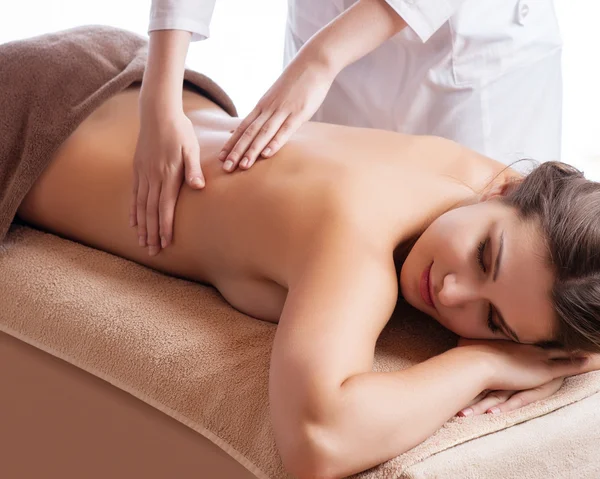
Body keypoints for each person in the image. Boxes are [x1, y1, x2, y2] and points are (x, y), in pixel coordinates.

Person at [18, 80, 600, 478]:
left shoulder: (481, 179)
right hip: (23, 124)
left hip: (122, 80)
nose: (452, 293)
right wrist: (487, 361)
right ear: (506, 191)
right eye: (483, 257)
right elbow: (318, 444)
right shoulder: (356, 232)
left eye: (493, 320)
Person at [136, 0, 563, 258]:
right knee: (344, 240)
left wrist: (321, 58)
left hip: (475, 65)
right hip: (326, 38)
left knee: (493, 257)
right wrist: (159, 99)